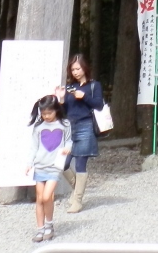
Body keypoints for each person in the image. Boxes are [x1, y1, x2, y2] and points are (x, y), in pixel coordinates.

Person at [55, 53, 103, 213]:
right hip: (70, 128)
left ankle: (77, 201)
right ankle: (77, 191)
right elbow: (64, 111)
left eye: (78, 68)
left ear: (85, 68)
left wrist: (84, 97)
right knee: (63, 163)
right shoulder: (70, 87)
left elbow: (99, 105)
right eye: (73, 69)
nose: (75, 72)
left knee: (80, 164)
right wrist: (61, 99)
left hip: (86, 126)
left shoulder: (94, 85)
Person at [25, 94, 70, 243]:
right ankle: (40, 228)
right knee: (39, 199)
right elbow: (34, 147)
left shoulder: (64, 124)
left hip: (55, 166)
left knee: (46, 196)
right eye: (43, 113)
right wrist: (29, 163)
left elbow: (69, 141)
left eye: (49, 113)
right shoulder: (39, 126)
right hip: (40, 166)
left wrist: (67, 149)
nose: (46, 116)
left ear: (56, 110)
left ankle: (49, 224)